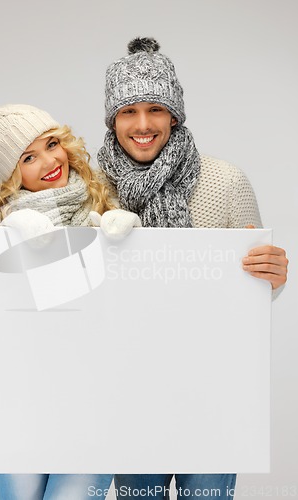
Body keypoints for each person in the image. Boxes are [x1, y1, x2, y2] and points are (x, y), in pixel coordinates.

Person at [96, 37, 288, 499]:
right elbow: (39, 260)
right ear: (112, 119)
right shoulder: (92, 189)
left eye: (156, 109)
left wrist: (275, 275)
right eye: (129, 111)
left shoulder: (225, 181)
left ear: (175, 114)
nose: (143, 125)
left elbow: (255, 289)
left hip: (212, 390)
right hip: (129, 393)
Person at [0, 102, 123, 500]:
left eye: (52, 144)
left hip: (93, 403)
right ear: (11, 175)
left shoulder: (105, 206)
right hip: (17, 403)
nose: (49, 161)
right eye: (28, 158)